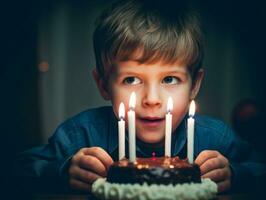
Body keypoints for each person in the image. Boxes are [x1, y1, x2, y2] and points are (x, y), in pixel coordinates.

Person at [13, 0, 266, 195]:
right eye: (131, 79)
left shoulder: (215, 139)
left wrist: (236, 174)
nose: (152, 99)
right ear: (103, 84)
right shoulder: (82, 135)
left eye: (169, 79)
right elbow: (17, 171)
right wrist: (61, 171)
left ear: (194, 85)